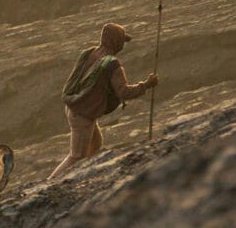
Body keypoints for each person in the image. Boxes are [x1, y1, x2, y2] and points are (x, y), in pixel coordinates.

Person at [48, 23, 158, 179]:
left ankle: (82, 174)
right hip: (83, 115)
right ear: (116, 42)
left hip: (75, 107)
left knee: (96, 143)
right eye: (121, 41)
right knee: (76, 155)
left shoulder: (91, 52)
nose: (122, 46)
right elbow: (124, 92)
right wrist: (146, 85)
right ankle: (50, 183)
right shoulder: (112, 65)